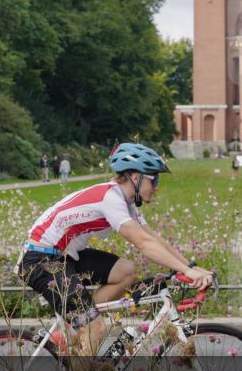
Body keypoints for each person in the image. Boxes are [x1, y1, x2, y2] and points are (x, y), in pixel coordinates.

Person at [16, 142, 214, 357]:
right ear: (136, 178)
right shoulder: (110, 198)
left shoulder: (125, 200)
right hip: (40, 259)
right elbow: (143, 244)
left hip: (65, 256)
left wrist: (189, 268)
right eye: (154, 179)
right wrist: (188, 271)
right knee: (95, 328)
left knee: (127, 271)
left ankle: (79, 333)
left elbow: (153, 238)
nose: (156, 186)